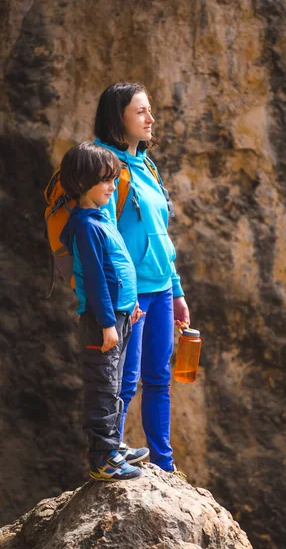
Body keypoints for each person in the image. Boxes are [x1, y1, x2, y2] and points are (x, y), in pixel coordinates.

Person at [93, 82, 190, 473]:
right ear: (119, 118)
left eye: (149, 110)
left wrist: (178, 289)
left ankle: (164, 466)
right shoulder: (105, 167)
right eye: (141, 112)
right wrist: (121, 295)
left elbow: (161, 235)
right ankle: (110, 455)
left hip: (162, 289)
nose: (151, 119)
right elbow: (102, 239)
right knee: (126, 380)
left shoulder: (147, 166)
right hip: (131, 295)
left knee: (159, 378)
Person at [59, 142, 149, 481]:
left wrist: (131, 305)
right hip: (102, 323)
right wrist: (109, 324)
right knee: (102, 388)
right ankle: (103, 459)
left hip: (120, 317)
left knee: (114, 384)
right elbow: (96, 280)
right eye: (106, 181)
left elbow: (119, 267)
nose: (113, 186)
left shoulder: (101, 218)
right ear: (83, 184)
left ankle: (113, 446)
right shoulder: (86, 226)